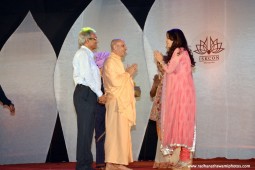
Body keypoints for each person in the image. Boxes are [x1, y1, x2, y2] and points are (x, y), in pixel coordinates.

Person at [154, 28, 196, 168]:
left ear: (176, 39)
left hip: (181, 97)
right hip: (184, 96)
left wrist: (160, 60)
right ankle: (184, 159)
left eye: (168, 38)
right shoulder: (182, 52)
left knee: (182, 123)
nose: (166, 41)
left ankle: (184, 160)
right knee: (183, 124)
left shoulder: (178, 51)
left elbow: (169, 70)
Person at [72, 27, 106, 170]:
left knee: (88, 130)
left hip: (89, 93)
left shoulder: (89, 55)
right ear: (87, 40)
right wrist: (100, 94)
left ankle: (86, 163)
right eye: (94, 38)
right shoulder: (82, 54)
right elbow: (87, 76)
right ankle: (82, 166)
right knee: (85, 130)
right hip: (85, 92)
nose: (96, 40)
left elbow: (93, 77)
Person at [102, 39, 137, 170]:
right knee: (115, 133)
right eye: (122, 46)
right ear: (114, 47)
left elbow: (120, 81)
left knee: (120, 133)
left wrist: (127, 74)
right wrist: (128, 73)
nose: (125, 48)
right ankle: (112, 163)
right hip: (117, 103)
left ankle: (117, 163)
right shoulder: (111, 61)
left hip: (120, 102)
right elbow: (115, 83)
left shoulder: (116, 61)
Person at [93, 51, 110, 169]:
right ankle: (100, 162)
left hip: (111, 108)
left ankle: (112, 161)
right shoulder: (95, 79)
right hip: (99, 108)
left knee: (112, 134)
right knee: (100, 133)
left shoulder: (109, 78)